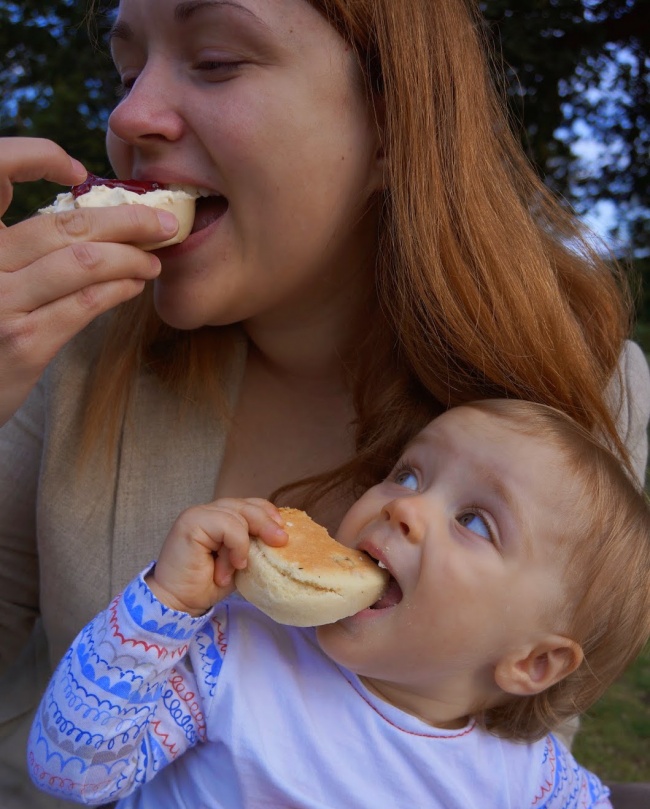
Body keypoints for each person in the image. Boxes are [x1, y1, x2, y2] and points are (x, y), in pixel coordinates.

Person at [1, 0, 649, 806]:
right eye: (126, 71)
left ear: (389, 126)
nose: (127, 115)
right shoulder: (62, 343)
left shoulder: (584, 387)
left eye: (216, 60)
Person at [27, 400, 650, 808]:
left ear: (533, 663)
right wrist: (164, 604)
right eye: (408, 474)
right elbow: (70, 771)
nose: (403, 506)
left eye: (476, 521)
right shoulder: (238, 654)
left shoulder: (530, 782)